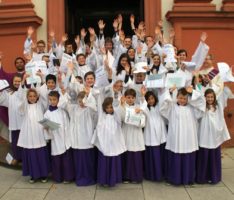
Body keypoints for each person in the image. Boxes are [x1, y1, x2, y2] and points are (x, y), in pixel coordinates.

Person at [159, 87, 205, 185]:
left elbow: (202, 104)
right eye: (180, 98)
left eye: (185, 98)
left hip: (188, 138)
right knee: (175, 157)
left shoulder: (192, 108)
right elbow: (162, 108)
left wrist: (192, 92)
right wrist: (169, 93)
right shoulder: (172, 107)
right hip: (176, 138)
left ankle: (188, 179)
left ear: (188, 98)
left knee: (188, 158)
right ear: (176, 97)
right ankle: (174, 179)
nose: (182, 100)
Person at [61, 90, 97, 186]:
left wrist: (88, 97)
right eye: (80, 101)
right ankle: (79, 177)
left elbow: (94, 108)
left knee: (87, 161)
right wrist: (64, 92)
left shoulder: (90, 110)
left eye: (84, 101)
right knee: (78, 162)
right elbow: (63, 104)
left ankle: (89, 178)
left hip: (86, 140)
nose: (82, 103)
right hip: (76, 140)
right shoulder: (73, 109)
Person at [17, 84, 50, 183]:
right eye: (30, 96)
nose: (32, 98)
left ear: (37, 97)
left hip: (39, 134)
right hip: (29, 135)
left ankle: (44, 175)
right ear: (27, 97)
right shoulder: (25, 106)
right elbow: (21, 105)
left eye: (34, 96)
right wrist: (23, 84)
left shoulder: (40, 105)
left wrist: (38, 82)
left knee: (41, 154)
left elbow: (44, 98)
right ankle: (33, 175)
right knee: (31, 155)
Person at [196, 88, 230, 184]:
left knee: (214, 158)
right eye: (208, 97)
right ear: (205, 98)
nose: (210, 99)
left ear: (214, 98)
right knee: (204, 157)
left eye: (212, 97)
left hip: (214, 137)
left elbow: (224, 94)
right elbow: (196, 100)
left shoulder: (218, 107)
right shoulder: (202, 107)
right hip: (205, 136)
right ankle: (202, 178)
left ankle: (214, 177)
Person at [92, 97, 126, 187]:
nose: (109, 109)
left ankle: (113, 179)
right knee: (104, 161)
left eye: (111, 107)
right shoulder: (102, 117)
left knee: (113, 160)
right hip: (104, 143)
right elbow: (99, 126)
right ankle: (103, 180)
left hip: (114, 143)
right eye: (107, 108)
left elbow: (120, 116)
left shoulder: (116, 117)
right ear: (104, 108)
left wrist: (120, 104)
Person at [44, 91, 74, 183]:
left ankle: (67, 177)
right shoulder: (47, 113)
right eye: (50, 100)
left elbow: (67, 124)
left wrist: (67, 135)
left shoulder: (62, 111)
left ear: (58, 100)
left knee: (66, 160)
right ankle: (58, 177)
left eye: (54, 99)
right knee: (56, 160)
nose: (52, 101)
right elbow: (45, 126)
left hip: (64, 138)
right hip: (55, 139)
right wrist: (47, 128)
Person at [120, 88, 147, 183]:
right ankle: (126, 177)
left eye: (132, 97)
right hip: (126, 131)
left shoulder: (138, 107)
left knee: (135, 155)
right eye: (128, 97)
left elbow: (143, 121)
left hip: (136, 132)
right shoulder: (123, 106)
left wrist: (139, 116)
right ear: (125, 98)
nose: (130, 99)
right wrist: (122, 105)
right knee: (127, 155)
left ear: (135, 98)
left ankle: (136, 177)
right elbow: (121, 118)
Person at [0, 74, 24, 164]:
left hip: (23, 122)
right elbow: (1, 100)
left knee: (24, 141)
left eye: (19, 81)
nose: (17, 83)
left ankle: (25, 157)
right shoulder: (8, 93)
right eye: (15, 81)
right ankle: (17, 157)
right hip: (14, 122)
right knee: (15, 141)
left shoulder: (25, 91)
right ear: (12, 82)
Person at [143, 91, 167, 181]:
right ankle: (152, 175)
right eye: (148, 99)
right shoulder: (146, 109)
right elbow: (142, 107)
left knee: (160, 157)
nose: (151, 101)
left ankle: (161, 174)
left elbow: (165, 102)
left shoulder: (159, 107)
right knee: (152, 157)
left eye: (152, 98)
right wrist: (142, 96)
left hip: (161, 135)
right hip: (151, 136)